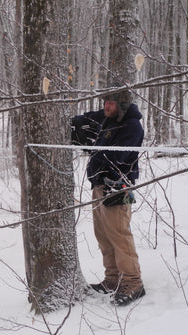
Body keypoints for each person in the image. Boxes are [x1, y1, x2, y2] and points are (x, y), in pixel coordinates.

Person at [71, 86, 145, 306]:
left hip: (117, 186)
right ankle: (113, 279)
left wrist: (93, 147)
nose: (106, 106)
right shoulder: (108, 119)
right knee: (103, 235)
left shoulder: (131, 126)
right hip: (99, 185)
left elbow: (118, 156)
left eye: (110, 103)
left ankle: (133, 282)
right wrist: (75, 124)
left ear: (121, 104)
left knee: (119, 235)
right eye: (105, 102)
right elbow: (87, 119)